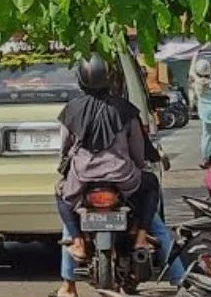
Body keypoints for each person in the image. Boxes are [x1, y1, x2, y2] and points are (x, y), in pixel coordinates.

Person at [55, 54, 160, 263]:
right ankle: (141, 237)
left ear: (80, 79)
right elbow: (138, 150)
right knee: (151, 183)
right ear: (110, 78)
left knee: (60, 193)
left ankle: (77, 241)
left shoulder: (70, 110)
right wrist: (138, 166)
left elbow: (64, 148)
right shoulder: (126, 110)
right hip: (122, 176)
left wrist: (66, 164)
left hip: (82, 177)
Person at [52, 213, 185, 297]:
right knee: (158, 229)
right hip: (124, 191)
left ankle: (69, 286)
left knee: (70, 224)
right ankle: (181, 281)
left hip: (87, 189)